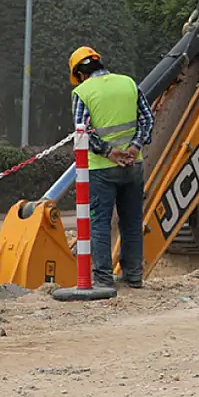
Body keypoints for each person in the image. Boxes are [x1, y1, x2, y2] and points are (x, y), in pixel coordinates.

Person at [68, 46, 154, 289]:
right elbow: (147, 119)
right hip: (133, 165)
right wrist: (134, 147)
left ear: (80, 74)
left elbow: (82, 131)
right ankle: (134, 277)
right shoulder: (128, 83)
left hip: (100, 170)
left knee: (99, 224)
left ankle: (104, 279)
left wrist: (108, 152)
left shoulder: (82, 92)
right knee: (132, 222)